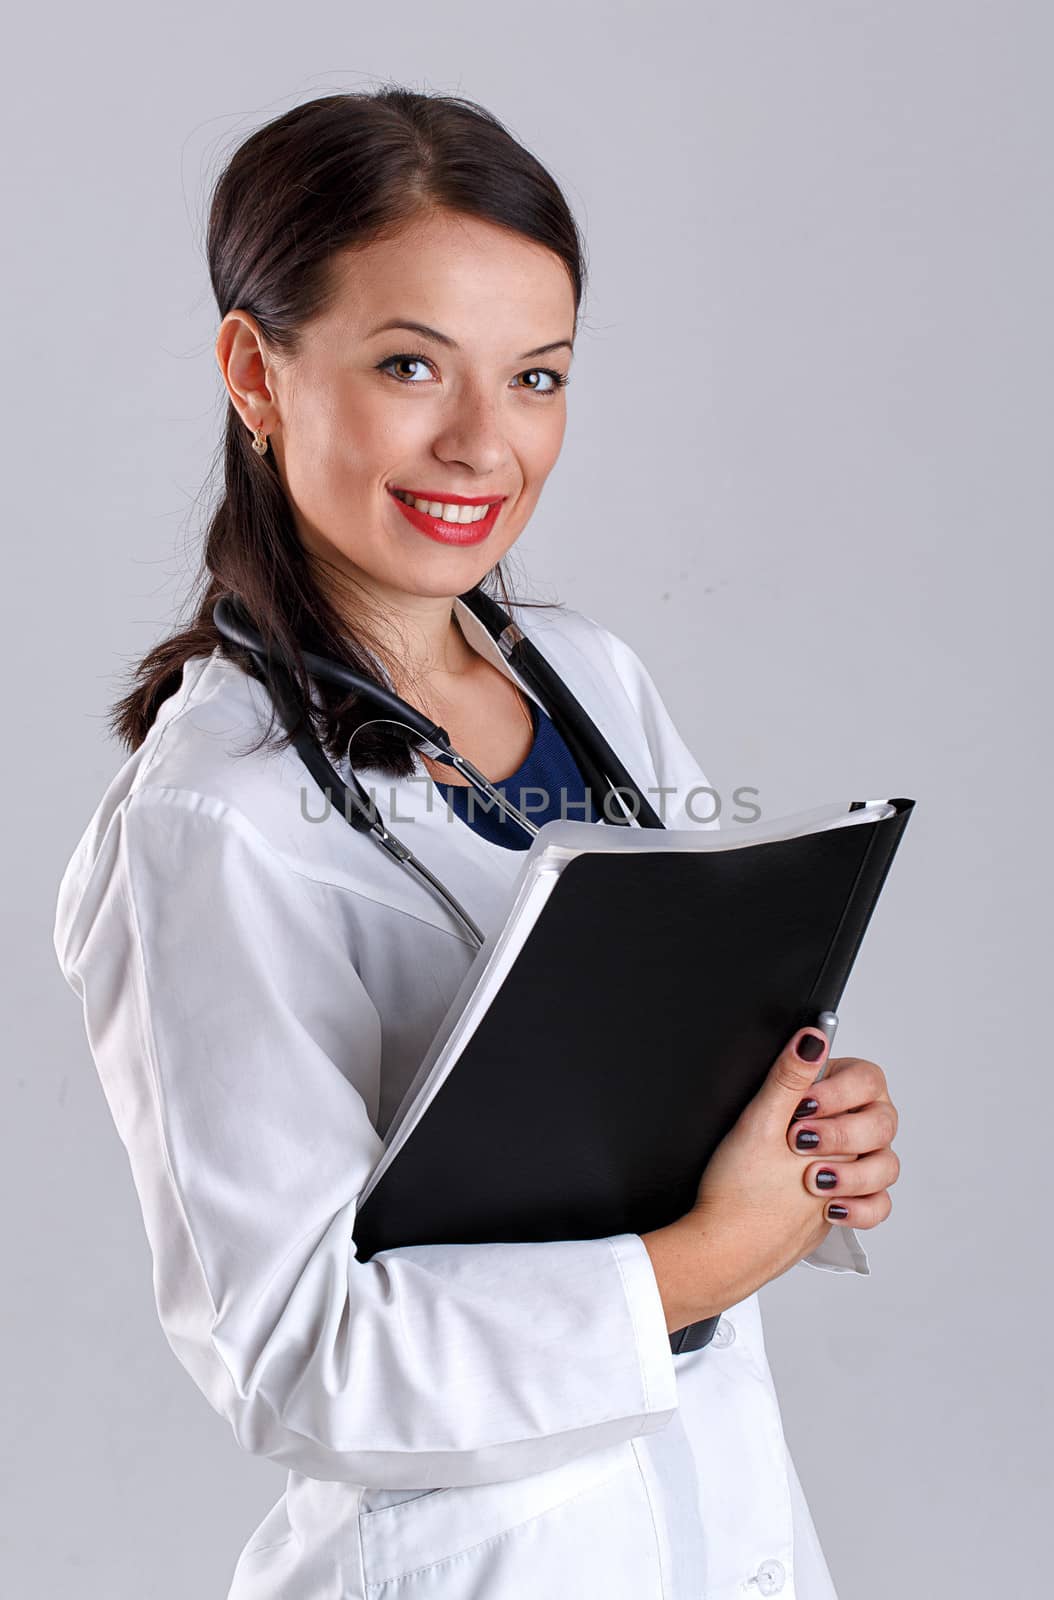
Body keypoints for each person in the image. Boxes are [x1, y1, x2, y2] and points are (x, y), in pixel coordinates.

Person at [52, 88, 901, 1600]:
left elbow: (689, 1065)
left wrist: (810, 1127)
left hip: (718, 1525)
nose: (480, 442)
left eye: (536, 376)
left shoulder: (594, 684)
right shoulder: (212, 824)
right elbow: (300, 1366)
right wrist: (704, 1260)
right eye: (406, 365)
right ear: (256, 371)